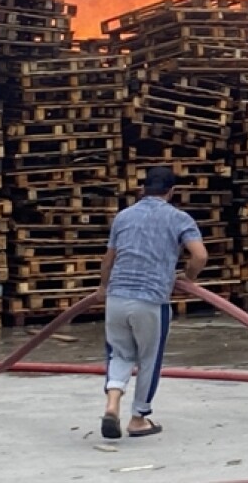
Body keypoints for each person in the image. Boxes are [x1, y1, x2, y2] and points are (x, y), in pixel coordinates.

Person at [97, 166, 208, 439]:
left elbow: (109, 259)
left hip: (117, 298)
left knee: (119, 354)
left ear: (142, 189)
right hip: (151, 300)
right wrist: (188, 278)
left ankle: (112, 405)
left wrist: (103, 288)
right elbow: (200, 256)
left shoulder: (123, 217)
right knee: (149, 359)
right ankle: (138, 418)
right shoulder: (179, 218)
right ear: (172, 191)